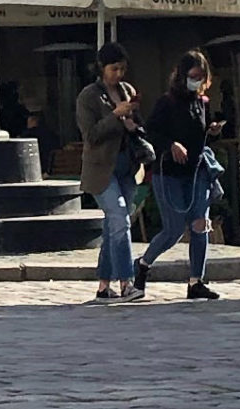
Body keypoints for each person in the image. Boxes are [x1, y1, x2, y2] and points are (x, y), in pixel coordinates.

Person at [137, 50, 224, 301]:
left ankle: (196, 280)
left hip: (197, 172)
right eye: (192, 76)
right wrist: (171, 144)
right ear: (182, 75)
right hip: (170, 172)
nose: (196, 80)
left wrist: (213, 131)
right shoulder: (167, 102)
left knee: (200, 225)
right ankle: (143, 264)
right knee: (173, 229)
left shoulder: (203, 103)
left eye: (200, 76)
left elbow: (199, 134)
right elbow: (150, 131)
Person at [76, 45, 144, 303]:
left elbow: (137, 125)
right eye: (114, 68)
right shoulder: (89, 96)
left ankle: (104, 286)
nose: (118, 74)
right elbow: (90, 135)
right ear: (101, 68)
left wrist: (133, 122)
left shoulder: (127, 91)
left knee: (113, 226)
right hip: (101, 170)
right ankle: (126, 282)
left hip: (127, 166)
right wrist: (115, 116)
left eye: (122, 69)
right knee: (120, 221)